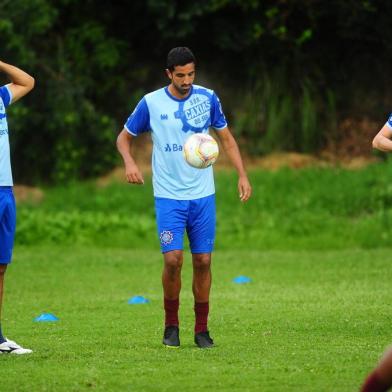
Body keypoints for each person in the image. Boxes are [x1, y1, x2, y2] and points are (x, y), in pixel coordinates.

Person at [117, 47, 251, 349]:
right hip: (168, 196)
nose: (187, 80)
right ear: (169, 74)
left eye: (191, 74)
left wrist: (243, 175)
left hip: (203, 195)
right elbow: (123, 138)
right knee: (173, 260)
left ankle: (202, 330)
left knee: (203, 260)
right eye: (180, 75)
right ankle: (171, 326)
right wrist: (129, 162)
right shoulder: (151, 103)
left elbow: (226, 139)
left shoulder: (207, 98)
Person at [0, 60, 35, 354]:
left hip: (5, 189)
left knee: (0, 266)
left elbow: (27, 81)